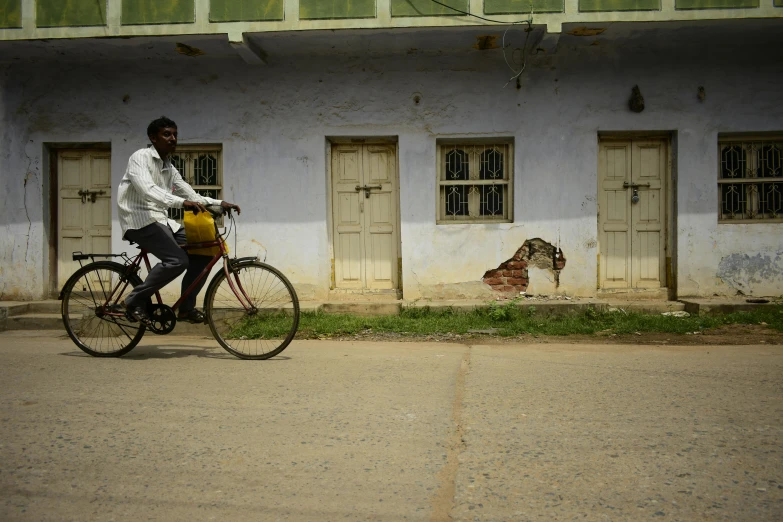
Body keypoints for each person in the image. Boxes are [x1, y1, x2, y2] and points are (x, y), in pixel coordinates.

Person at [117, 116, 240, 325]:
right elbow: (148, 190)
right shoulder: (140, 157)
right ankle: (134, 300)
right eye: (167, 134)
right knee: (177, 260)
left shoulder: (169, 167)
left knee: (204, 252)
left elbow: (191, 194)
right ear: (153, 138)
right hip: (139, 220)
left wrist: (220, 203)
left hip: (161, 221)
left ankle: (186, 308)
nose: (173, 138)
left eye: (175, 134)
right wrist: (182, 203)